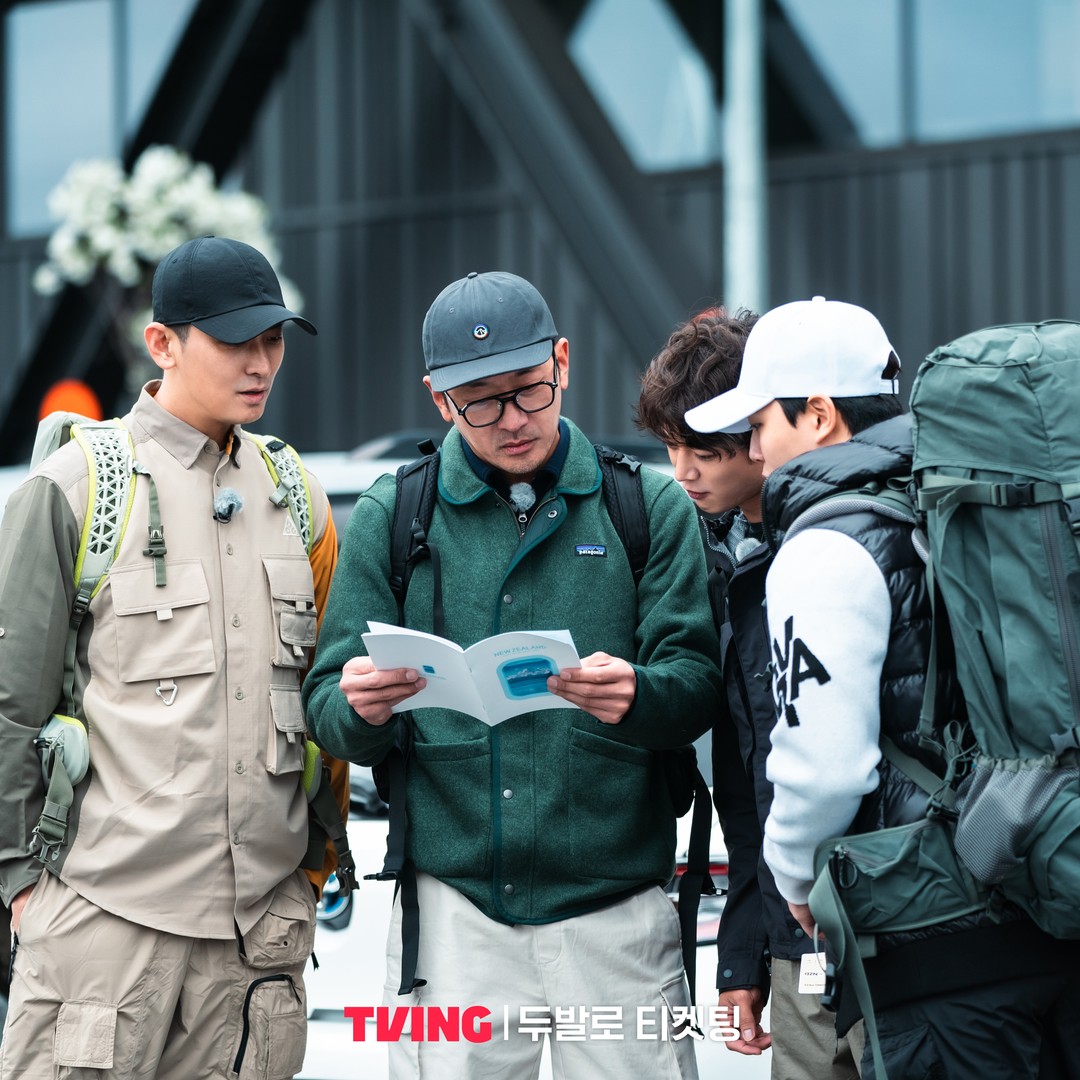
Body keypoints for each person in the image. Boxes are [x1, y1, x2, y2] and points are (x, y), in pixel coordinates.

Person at [303, 270, 724, 1078]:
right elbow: (327, 705)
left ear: (563, 361)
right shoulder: (393, 514)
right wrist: (360, 707)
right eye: (480, 402)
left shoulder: (648, 506)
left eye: (529, 390)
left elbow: (697, 685)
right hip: (452, 917)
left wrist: (639, 695)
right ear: (438, 399)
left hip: (618, 915)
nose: (512, 420)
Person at [685, 295, 1080, 1079]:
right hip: (1047, 887)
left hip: (936, 935)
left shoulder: (826, 544)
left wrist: (796, 881)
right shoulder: (954, 502)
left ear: (818, 414)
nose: (754, 451)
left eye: (758, 425)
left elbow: (822, 766)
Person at [0, 235, 348, 1079]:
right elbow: (10, 704)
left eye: (273, 340)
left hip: (255, 941)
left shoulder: (298, 497)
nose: (261, 363)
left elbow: (324, 699)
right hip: (103, 929)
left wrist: (309, 871)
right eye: (235, 341)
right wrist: (21, 887)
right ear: (162, 343)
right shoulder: (77, 486)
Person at [638, 307, 864, 1079]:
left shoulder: (834, 549)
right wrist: (744, 953)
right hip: (798, 934)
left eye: (704, 449)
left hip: (877, 924)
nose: (682, 472)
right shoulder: (726, 560)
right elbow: (748, 788)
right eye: (670, 448)